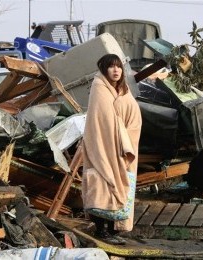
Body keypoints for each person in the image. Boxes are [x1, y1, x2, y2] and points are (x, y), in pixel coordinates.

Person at [82, 54, 142, 245]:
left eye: (119, 67)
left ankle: (111, 229)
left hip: (123, 146)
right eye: (111, 67)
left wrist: (126, 136)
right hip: (103, 144)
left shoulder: (122, 89)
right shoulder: (99, 88)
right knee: (104, 184)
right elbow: (105, 121)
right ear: (103, 69)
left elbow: (130, 113)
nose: (116, 70)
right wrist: (120, 133)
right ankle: (101, 230)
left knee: (118, 186)